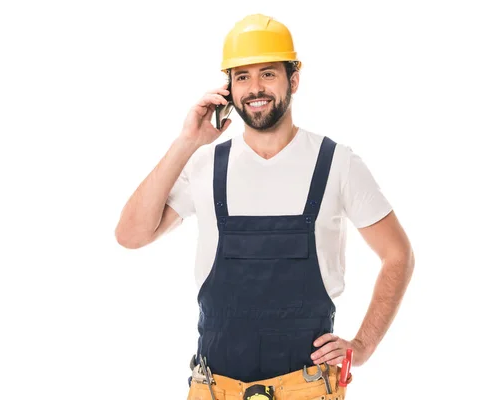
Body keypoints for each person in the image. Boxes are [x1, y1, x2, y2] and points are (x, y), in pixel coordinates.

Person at [115, 13, 415, 400]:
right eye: (242, 77)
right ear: (229, 89)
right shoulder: (205, 165)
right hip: (214, 390)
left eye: (268, 73)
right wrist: (187, 141)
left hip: (309, 390)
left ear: (294, 79)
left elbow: (398, 255)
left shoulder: (337, 163)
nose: (255, 88)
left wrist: (364, 345)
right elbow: (131, 235)